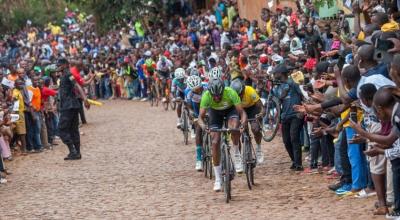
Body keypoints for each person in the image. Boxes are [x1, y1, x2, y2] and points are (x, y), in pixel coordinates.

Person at [198, 77, 247, 191]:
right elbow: (200, 118)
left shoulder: (230, 92)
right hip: (215, 113)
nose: (216, 97)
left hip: (230, 110)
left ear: (223, 91)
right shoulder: (206, 96)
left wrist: (243, 124)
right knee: (215, 142)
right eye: (214, 95)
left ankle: (236, 153)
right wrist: (204, 127)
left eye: (219, 95)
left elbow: (242, 113)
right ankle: (218, 179)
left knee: (234, 128)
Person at [56, 58, 90, 160]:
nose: (58, 67)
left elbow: (77, 85)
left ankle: (73, 151)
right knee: (73, 130)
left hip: (68, 106)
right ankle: (77, 153)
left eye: (59, 65)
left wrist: (85, 99)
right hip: (73, 105)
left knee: (61, 130)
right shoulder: (64, 75)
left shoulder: (67, 74)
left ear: (65, 65)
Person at [273, 64, 305, 171]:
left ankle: (298, 164)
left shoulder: (293, 83)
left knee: (294, 138)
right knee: (286, 141)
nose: (274, 75)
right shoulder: (277, 86)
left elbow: (303, 96)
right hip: (285, 116)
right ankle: (294, 161)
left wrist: (303, 109)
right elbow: (277, 100)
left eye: (275, 73)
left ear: (281, 73)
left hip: (296, 115)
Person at [230, 78, 265, 163]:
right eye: (237, 95)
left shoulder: (250, 90)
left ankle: (259, 148)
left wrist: (260, 114)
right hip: (239, 109)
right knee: (235, 131)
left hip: (252, 109)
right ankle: (238, 155)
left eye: (241, 94)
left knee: (255, 129)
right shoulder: (231, 95)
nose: (239, 97)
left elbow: (260, 106)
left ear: (243, 89)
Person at [185, 75, 207, 171]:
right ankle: (198, 159)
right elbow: (189, 108)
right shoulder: (189, 93)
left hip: (208, 107)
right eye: (195, 90)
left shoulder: (207, 88)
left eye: (198, 88)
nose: (197, 91)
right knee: (198, 129)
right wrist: (193, 117)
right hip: (197, 110)